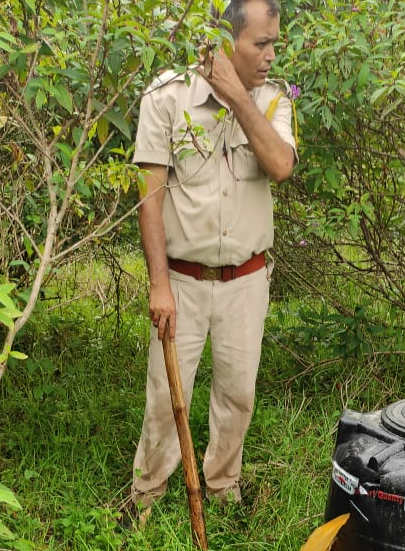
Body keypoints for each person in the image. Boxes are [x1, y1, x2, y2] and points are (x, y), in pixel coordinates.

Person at [130, 0, 297, 518]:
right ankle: (146, 496)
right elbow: (148, 196)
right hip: (180, 279)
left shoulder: (272, 103)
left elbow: (280, 165)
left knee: (238, 395)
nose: (270, 56)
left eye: (274, 44)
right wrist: (159, 285)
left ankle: (223, 490)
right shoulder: (166, 96)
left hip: (246, 281)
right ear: (227, 42)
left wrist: (238, 98)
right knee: (163, 397)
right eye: (260, 44)